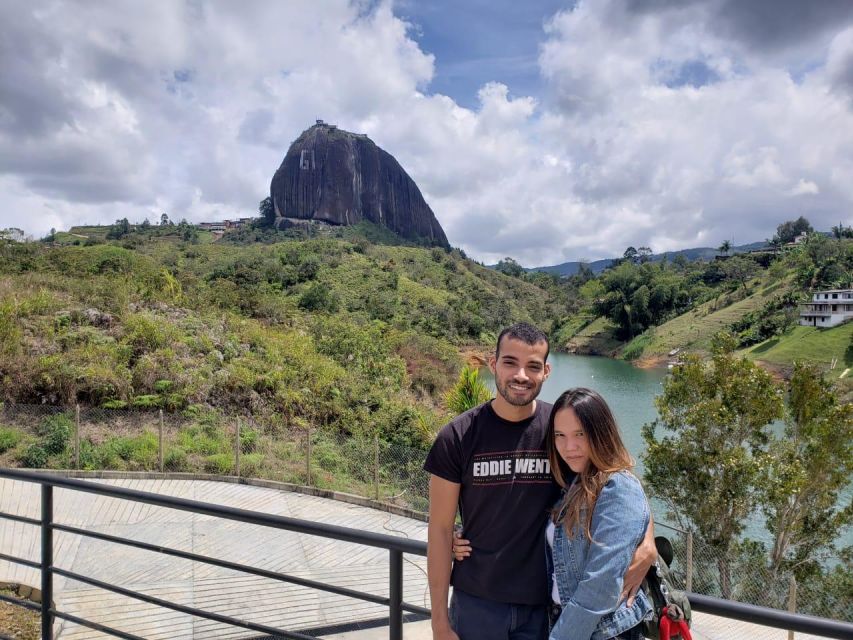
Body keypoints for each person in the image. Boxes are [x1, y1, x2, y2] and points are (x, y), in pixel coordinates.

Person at [424, 323, 655, 640]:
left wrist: (648, 541)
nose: (520, 375)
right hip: (476, 602)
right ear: (493, 365)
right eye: (510, 362)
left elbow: (616, 478)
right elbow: (438, 528)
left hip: (543, 611)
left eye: (532, 366)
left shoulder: (561, 428)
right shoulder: (458, 435)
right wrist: (439, 621)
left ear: (546, 371)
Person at [545, 387, 651, 640]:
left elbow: (600, 587)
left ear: (600, 432)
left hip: (605, 633)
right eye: (560, 435)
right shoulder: (576, 481)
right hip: (570, 623)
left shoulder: (618, 488)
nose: (569, 446)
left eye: (580, 434)